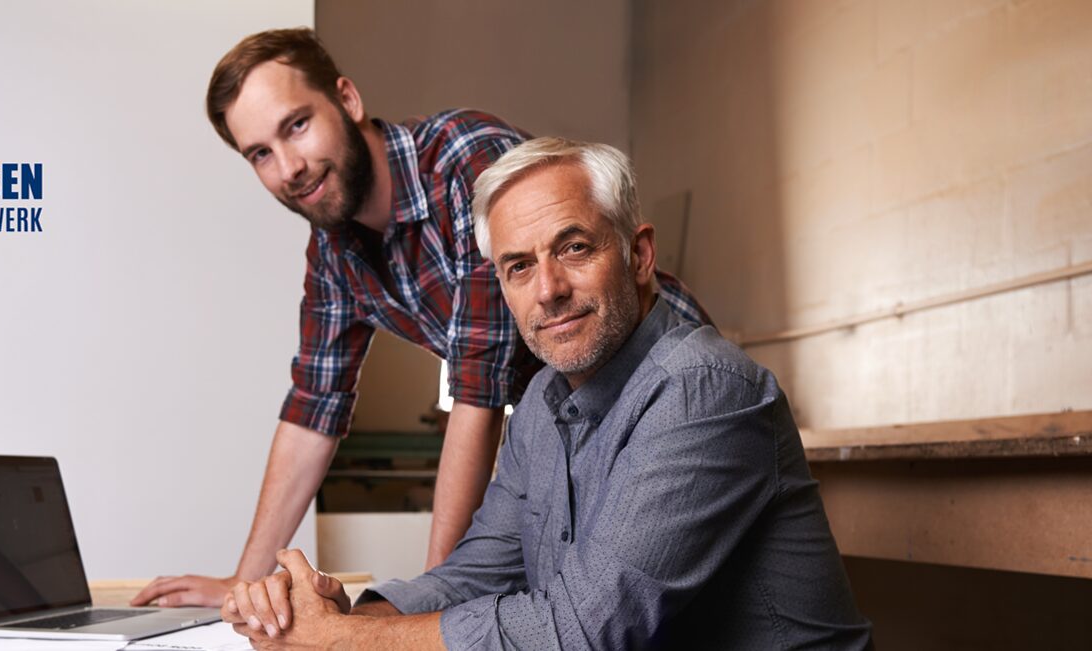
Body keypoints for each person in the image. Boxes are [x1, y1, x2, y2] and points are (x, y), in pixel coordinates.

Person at [133, 29, 712, 610]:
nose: (289, 168)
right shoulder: (333, 251)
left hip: (657, 387)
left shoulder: (467, 162)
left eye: (297, 125)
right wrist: (244, 583)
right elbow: (313, 409)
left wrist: (426, 614)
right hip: (567, 418)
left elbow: (477, 392)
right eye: (260, 153)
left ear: (347, 100)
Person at [221, 138, 874, 649]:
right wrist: (337, 616)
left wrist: (343, 642)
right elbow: (478, 574)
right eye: (519, 266)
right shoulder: (540, 405)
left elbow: (584, 630)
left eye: (575, 247)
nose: (549, 290)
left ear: (639, 255)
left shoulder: (704, 390)